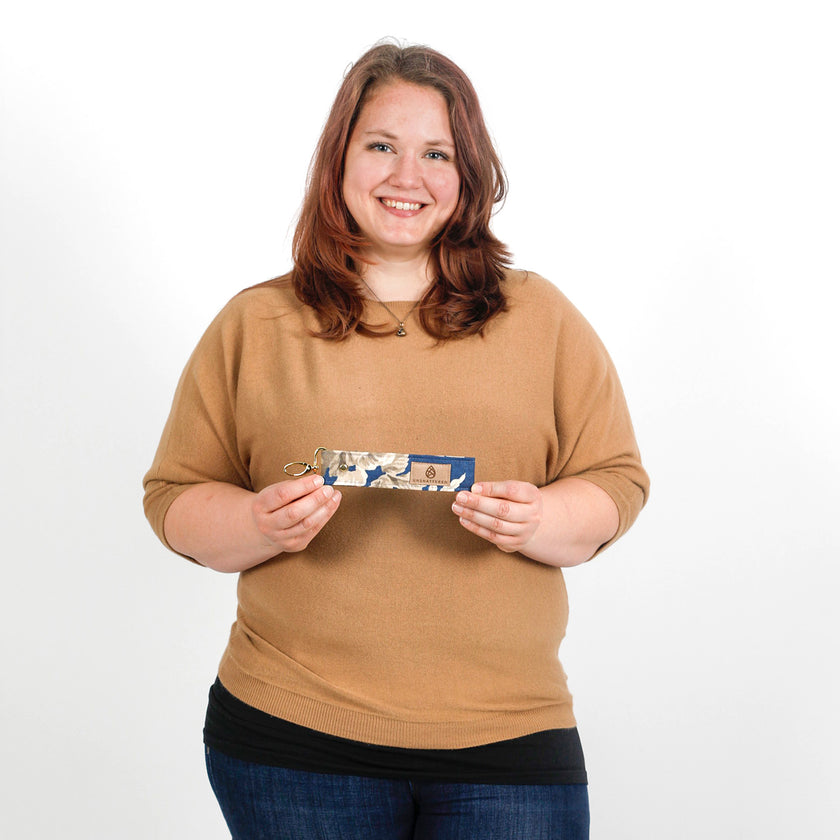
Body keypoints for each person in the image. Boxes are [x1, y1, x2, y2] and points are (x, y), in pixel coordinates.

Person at [143, 40, 649, 840]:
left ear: (469, 174)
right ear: (339, 159)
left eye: (436, 153)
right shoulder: (255, 323)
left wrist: (545, 521)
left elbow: (616, 479)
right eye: (381, 145)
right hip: (290, 741)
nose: (406, 177)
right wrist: (255, 525)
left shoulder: (542, 316)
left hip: (509, 735)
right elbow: (173, 497)